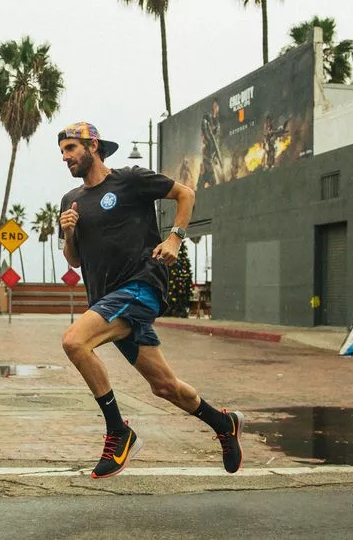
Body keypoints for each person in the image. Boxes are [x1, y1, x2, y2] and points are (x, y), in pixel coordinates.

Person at [56, 122, 243, 479]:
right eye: (63, 151)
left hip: (140, 286)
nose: (66, 157)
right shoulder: (71, 201)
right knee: (165, 387)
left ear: (93, 146)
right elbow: (75, 260)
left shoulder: (130, 179)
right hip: (109, 299)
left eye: (71, 149)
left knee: (74, 341)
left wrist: (175, 238)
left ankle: (118, 431)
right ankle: (224, 423)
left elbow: (185, 193)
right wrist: (68, 234)